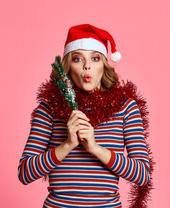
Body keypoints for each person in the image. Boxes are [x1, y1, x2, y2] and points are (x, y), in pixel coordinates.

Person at [18, 24, 154, 208]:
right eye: (77, 59)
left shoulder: (125, 107)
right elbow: (25, 174)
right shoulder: (50, 108)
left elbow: (142, 174)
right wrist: (68, 144)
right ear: (67, 66)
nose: (87, 66)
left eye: (95, 58)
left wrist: (96, 148)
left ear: (104, 65)